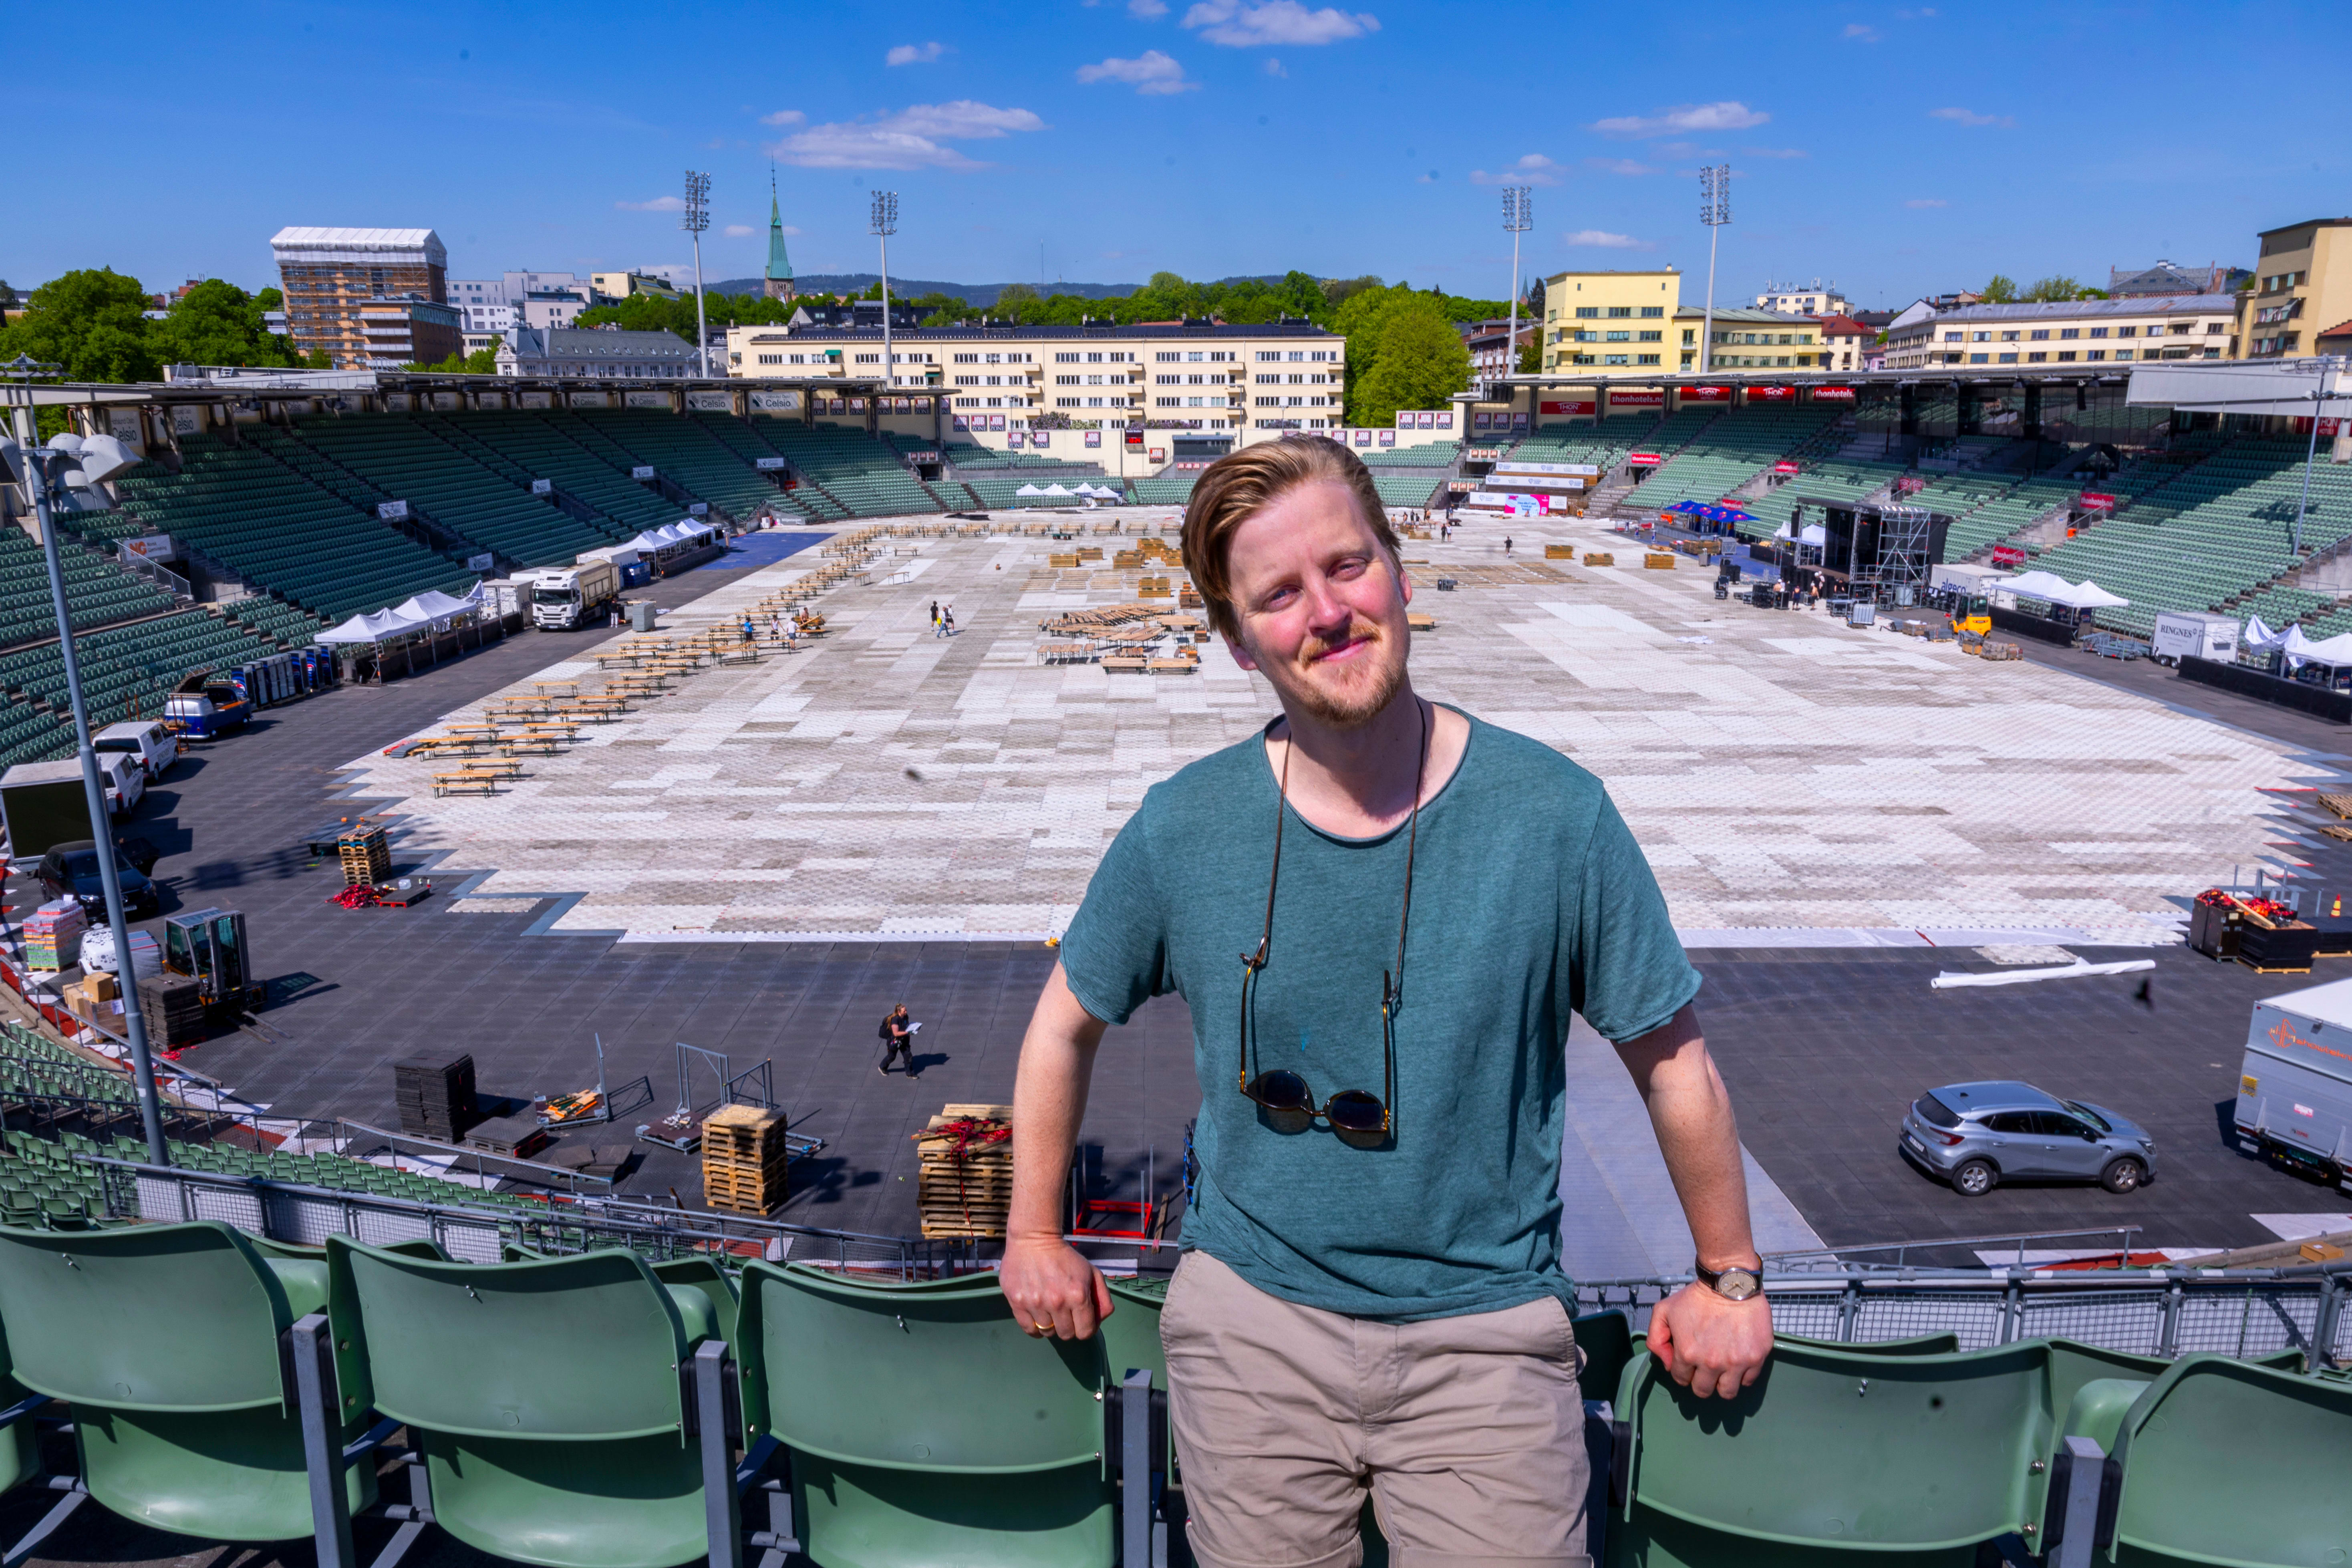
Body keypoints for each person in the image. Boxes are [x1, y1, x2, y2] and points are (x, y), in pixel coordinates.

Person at [1002, 437, 1771, 1568]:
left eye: (1348, 567)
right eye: (1278, 594)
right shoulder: (1185, 825)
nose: (1327, 612)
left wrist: (1730, 1274)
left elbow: (1673, 1059)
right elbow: (1063, 1022)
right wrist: (1030, 1231)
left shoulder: (1555, 817)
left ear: (1401, 573)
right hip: (1253, 1325)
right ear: (1236, 641)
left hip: (1486, 1335)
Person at [877, 1004, 916, 1075]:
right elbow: (896, 1034)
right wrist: (908, 1032)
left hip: (904, 1040)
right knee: (892, 1057)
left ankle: (910, 1074)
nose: (906, 1012)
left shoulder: (905, 1017)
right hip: (895, 1041)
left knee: (908, 1057)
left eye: (906, 1010)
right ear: (899, 1012)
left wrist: (909, 1036)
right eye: (904, 1011)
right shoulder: (895, 1020)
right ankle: (882, 1067)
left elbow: (907, 1027)